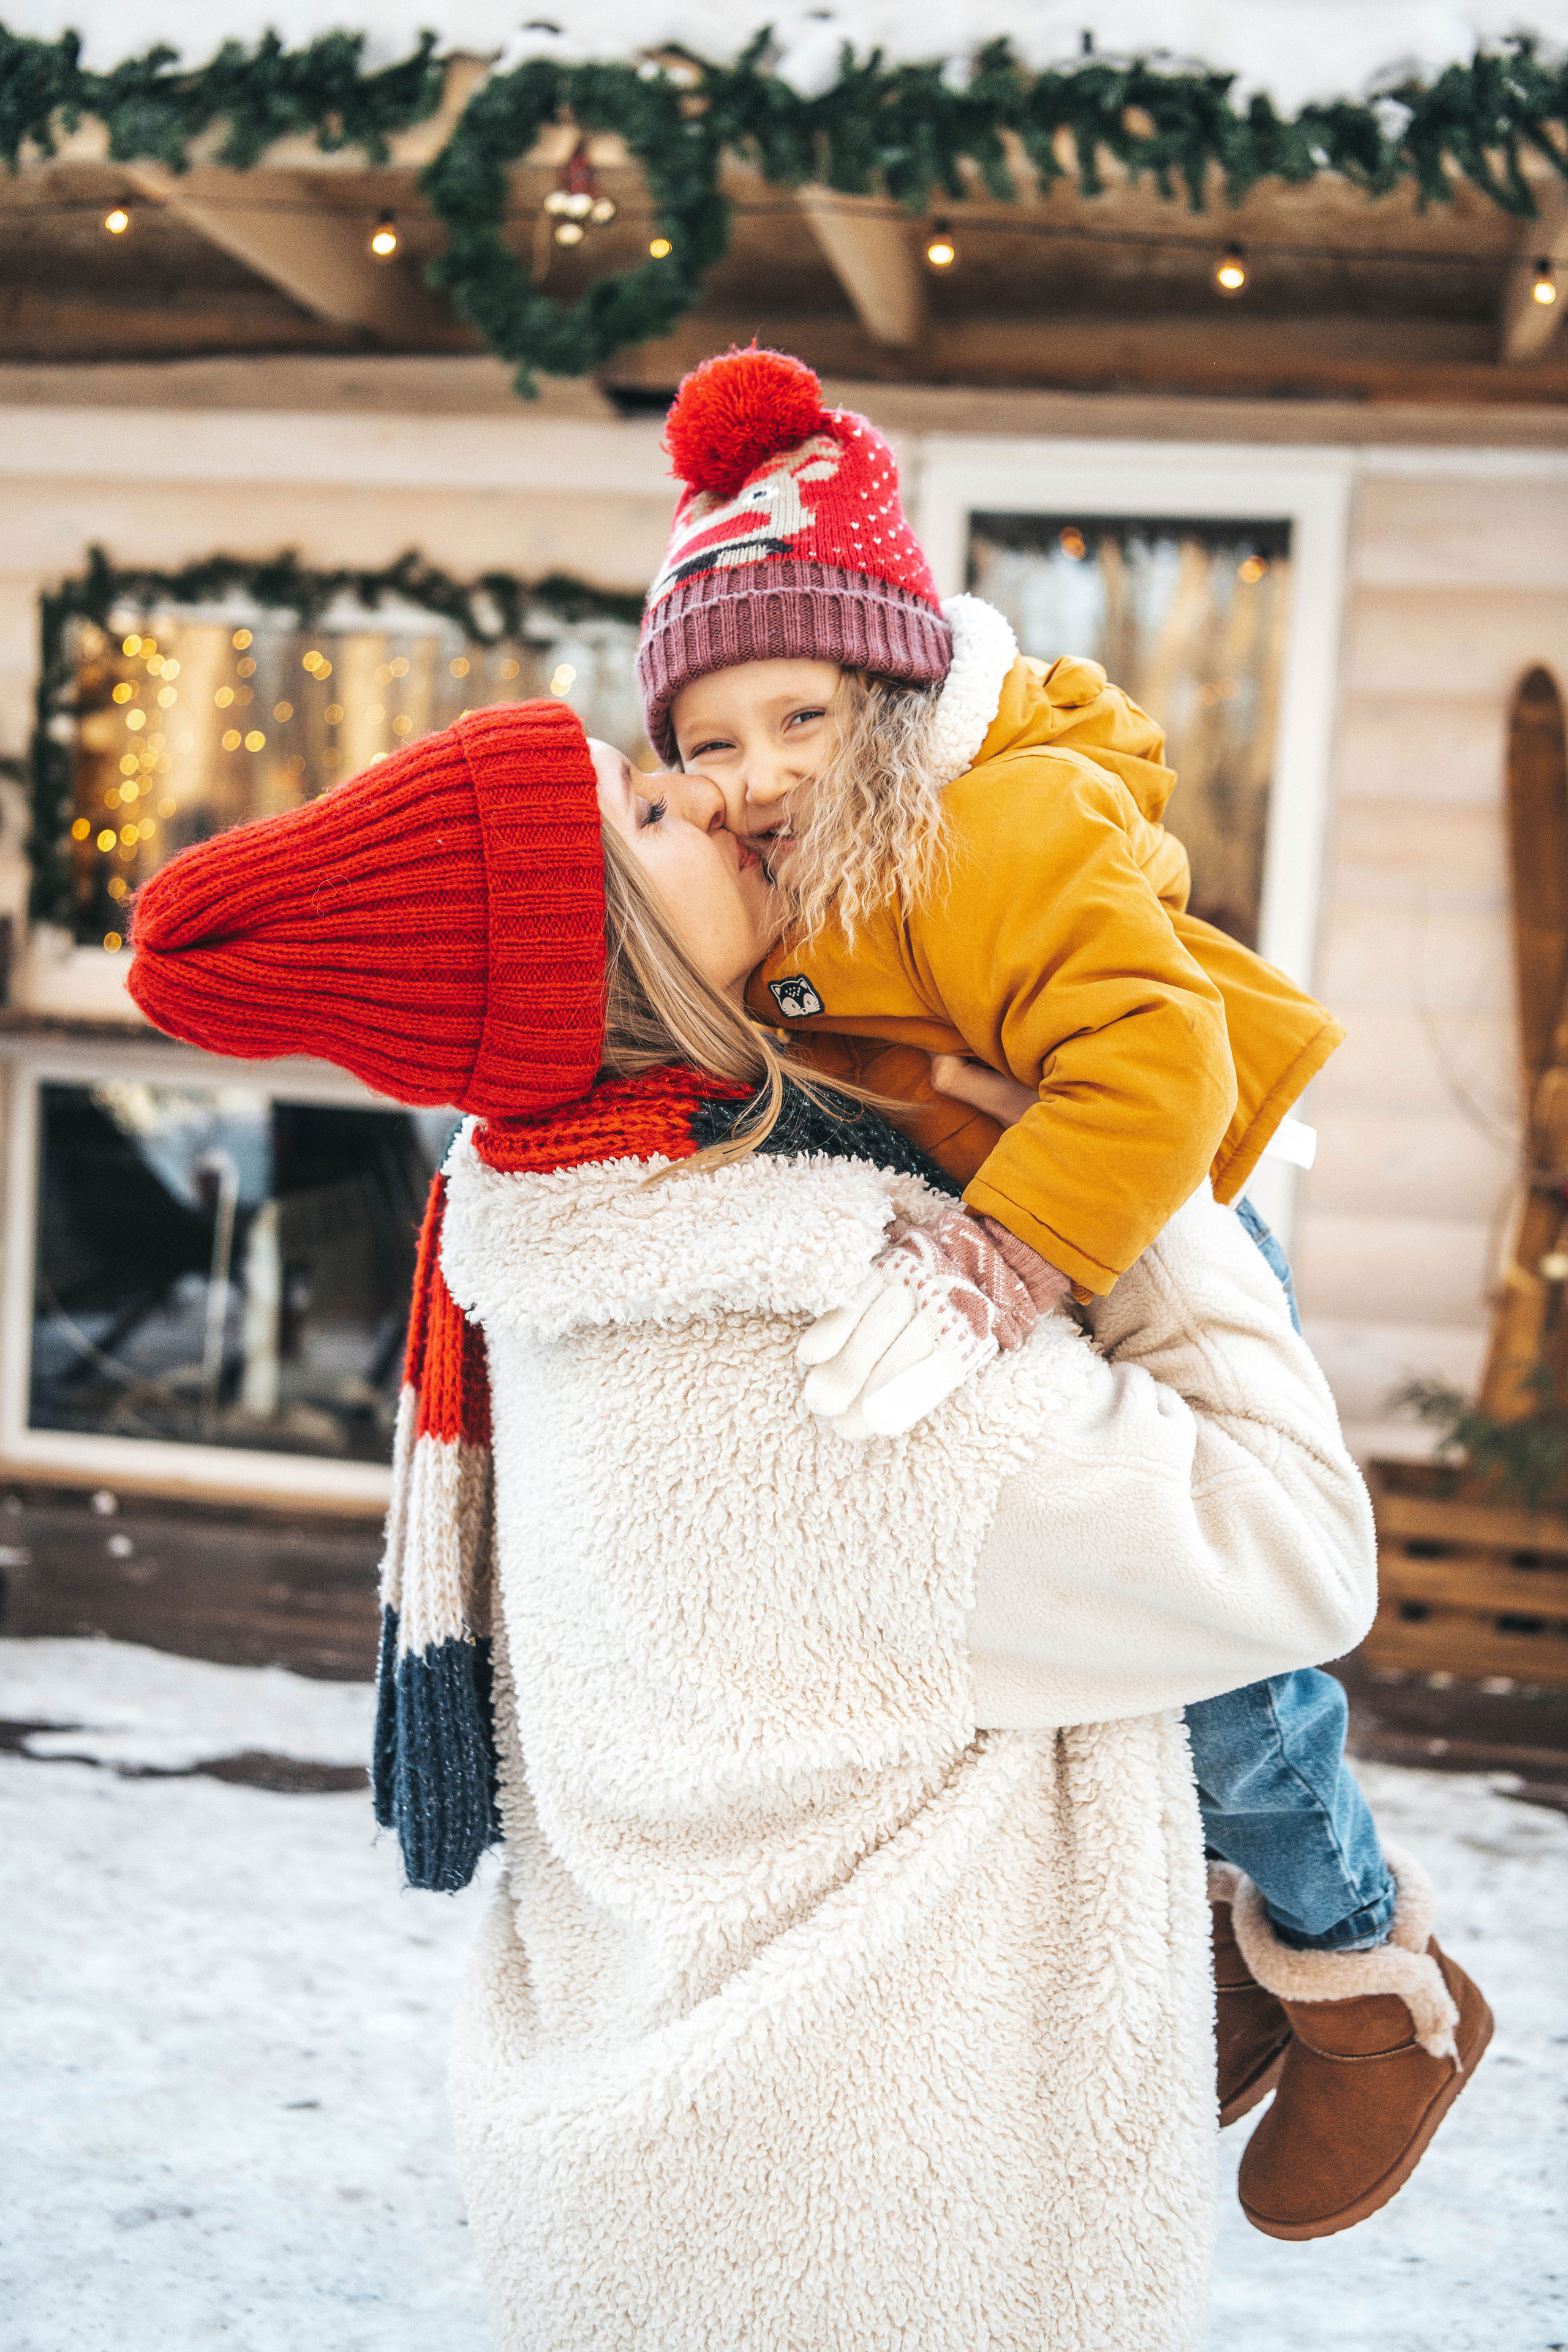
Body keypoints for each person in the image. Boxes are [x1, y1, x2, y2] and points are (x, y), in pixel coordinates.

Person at [128, 702, 1483, 2337]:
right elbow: (1290, 1553)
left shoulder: (563, 1249)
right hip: (883, 2246)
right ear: (607, 962)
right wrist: (1147, 1185)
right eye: (647, 810)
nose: (708, 792)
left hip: (679, 2195)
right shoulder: (826, 1332)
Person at [631, 344, 1493, 2237]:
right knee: (1095, 1611)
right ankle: (1234, 1937)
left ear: (886, 684)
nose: (752, 773)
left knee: (1193, 1606)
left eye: (796, 714)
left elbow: (1154, 1068)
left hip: (1147, 1201)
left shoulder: (988, 823)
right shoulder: (791, 858)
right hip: (1027, 1191)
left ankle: (1365, 1968)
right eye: (708, 741)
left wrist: (1004, 1255)